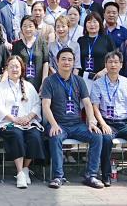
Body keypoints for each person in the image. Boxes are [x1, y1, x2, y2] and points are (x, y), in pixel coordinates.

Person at [41, 48, 104, 189]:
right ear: (57, 61)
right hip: (58, 124)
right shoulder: (49, 81)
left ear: (74, 62)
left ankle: (91, 175)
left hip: (77, 124)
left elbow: (87, 103)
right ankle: (58, 176)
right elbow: (45, 105)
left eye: (70, 59)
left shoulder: (79, 81)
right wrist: (54, 124)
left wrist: (92, 121)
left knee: (97, 136)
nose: (66, 62)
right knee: (55, 136)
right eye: (63, 59)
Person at [90, 51, 127, 187]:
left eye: (116, 62)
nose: (113, 65)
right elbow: (95, 107)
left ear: (121, 65)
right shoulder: (98, 83)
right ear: (105, 65)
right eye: (110, 62)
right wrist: (103, 124)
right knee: (105, 139)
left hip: (124, 123)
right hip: (107, 122)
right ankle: (106, 175)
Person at [0, 55, 44, 189]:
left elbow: (37, 104)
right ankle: (20, 173)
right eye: (11, 66)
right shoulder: (1, 87)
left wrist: (29, 117)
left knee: (35, 136)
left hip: (27, 122)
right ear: (6, 69)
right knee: (16, 135)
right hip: (8, 122)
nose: (14, 69)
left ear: (22, 69)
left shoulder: (29, 86)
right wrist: (15, 119)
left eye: (17, 66)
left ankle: (26, 168)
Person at [77, 13, 116, 90]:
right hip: (83, 78)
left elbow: (114, 58)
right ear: (85, 25)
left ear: (100, 24)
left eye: (95, 22)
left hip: (102, 77)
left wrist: (104, 71)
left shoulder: (107, 39)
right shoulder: (81, 40)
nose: (92, 25)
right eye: (89, 22)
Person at [12, 17, 49, 91]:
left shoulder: (42, 42)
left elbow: (45, 63)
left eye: (30, 26)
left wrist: (44, 83)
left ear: (35, 27)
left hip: (39, 83)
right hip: (22, 84)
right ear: (21, 28)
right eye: (25, 26)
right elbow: (15, 64)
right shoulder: (16, 45)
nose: (27, 29)